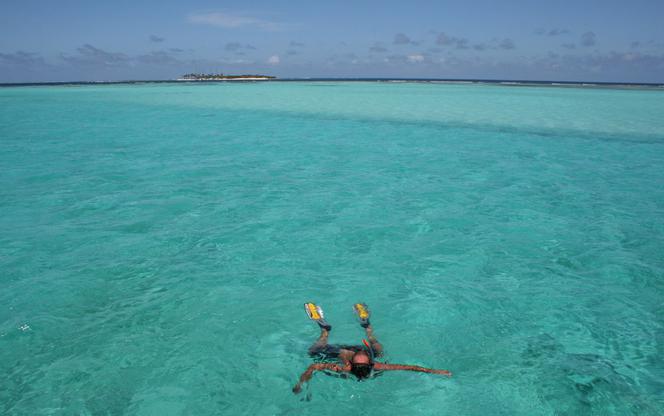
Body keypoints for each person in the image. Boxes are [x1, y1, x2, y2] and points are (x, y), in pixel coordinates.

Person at [293, 303, 452, 394]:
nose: (361, 352)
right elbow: (410, 367)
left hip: (343, 352)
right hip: (353, 352)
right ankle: (366, 327)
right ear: (370, 363)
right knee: (378, 351)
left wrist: (302, 382)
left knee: (313, 353)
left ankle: (326, 331)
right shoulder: (377, 365)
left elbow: (315, 366)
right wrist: (434, 371)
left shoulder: (344, 368)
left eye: (360, 354)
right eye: (363, 355)